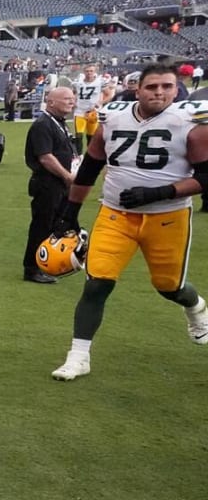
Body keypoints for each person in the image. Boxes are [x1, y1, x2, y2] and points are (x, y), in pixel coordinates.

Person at [49, 63, 208, 380]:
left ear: (177, 90)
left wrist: (160, 192)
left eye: (167, 86)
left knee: (169, 287)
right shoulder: (112, 117)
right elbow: (91, 168)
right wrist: (70, 211)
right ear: (138, 89)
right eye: (152, 87)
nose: (159, 92)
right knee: (97, 282)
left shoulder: (192, 123)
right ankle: (79, 356)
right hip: (115, 214)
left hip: (168, 217)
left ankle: (197, 308)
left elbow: (205, 178)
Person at [22, 87, 76, 284]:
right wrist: (67, 176)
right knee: (42, 225)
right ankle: (32, 268)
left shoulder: (59, 123)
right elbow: (45, 157)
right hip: (47, 183)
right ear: (51, 102)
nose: (71, 102)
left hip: (58, 182)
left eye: (72, 98)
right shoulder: (43, 124)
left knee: (55, 225)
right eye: (66, 99)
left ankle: (48, 263)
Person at [70, 64, 112, 154]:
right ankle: (79, 157)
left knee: (91, 136)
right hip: (80, 111)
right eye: (87, 71)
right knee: (78, 135)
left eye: (91, 71)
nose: (89, 73)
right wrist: (73, 101)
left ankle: (89, 156)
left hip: (93, 112)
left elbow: (109, 95)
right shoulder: (78, 81)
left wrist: (100, 103)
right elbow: (73, 93)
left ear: (95, 72)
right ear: (84, 72)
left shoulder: (100, 81)